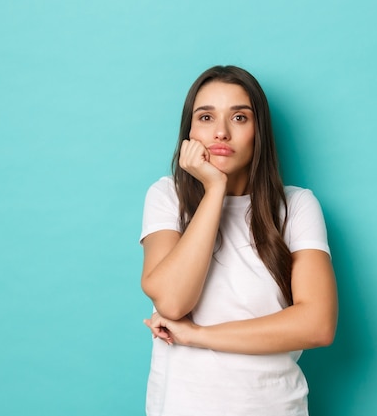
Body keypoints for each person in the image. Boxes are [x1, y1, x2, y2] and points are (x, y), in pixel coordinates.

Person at [140, 65, 338, 416]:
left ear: (259, 131)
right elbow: (172, 302)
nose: (221, 132)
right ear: (189, 131)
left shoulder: (296, 206)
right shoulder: (167, 196)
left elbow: (318, 324)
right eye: (205, 117)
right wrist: (214, 188)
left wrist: (196, 335)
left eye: (240, 118)